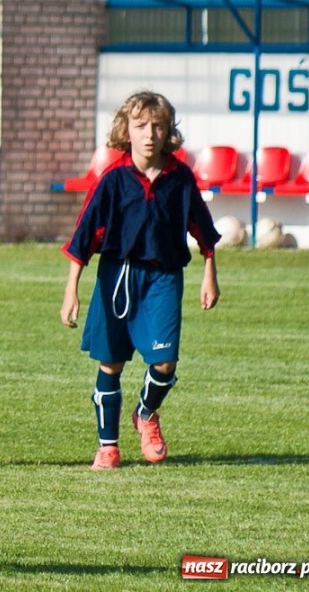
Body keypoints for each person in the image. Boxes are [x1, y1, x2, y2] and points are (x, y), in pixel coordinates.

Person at [59, 91, 221, 471]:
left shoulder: (180, 178)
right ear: (125, 131)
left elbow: (203, 229)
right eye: (141, 126)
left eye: (158, 126)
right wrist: (71, 292)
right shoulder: (113, 180)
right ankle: (107, 447)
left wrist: (210, 273)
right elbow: (83, 237)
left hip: (164, 278)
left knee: (164, 362)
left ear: (169, 132)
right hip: (118, 277)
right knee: (110, 364)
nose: (150, 134)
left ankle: (146, 413)